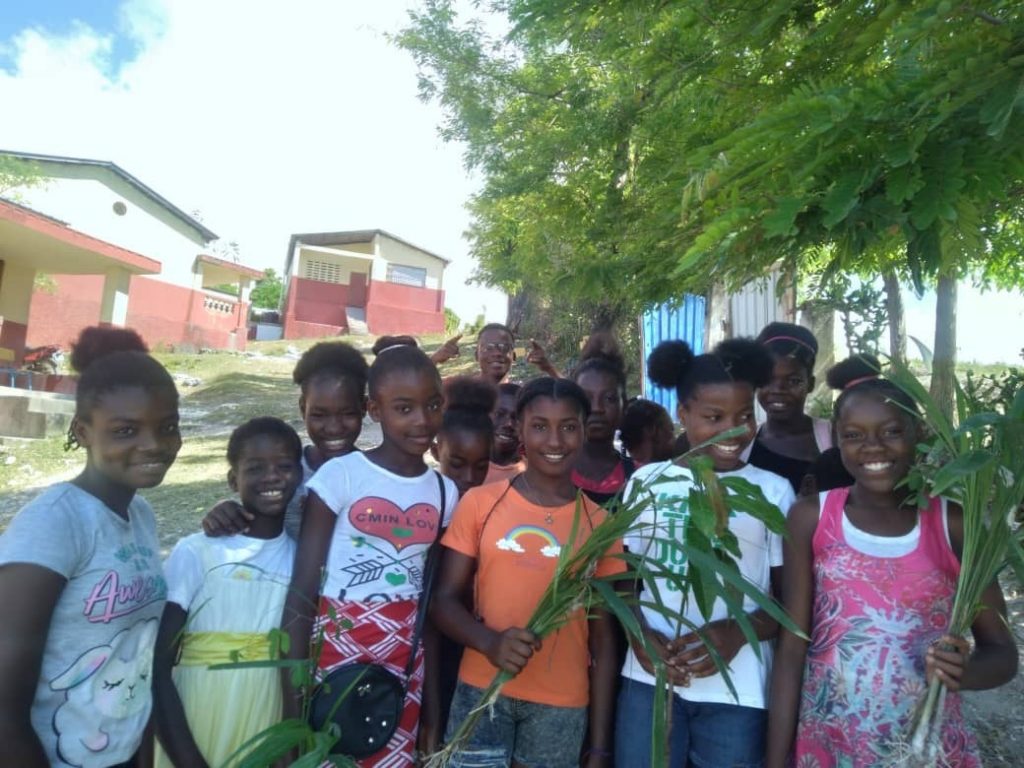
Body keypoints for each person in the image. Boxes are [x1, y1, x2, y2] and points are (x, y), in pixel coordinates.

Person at [765, 355, 1018, 768]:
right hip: (829, 744)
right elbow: (793, 646)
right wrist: (775, 760)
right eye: (854, 435)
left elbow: (1002, 653)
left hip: (924, 751)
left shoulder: (953, 523)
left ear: (918, 435)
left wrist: (964, 672)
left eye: (892, 432)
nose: (874, 447)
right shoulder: (812, 516)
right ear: (837, 441)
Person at [0, 326, 181, 768]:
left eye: (167, 426)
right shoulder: (54, 524)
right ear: (82, 431)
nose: (153, 445)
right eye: (125, 431)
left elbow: (133, 661)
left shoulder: (139, 515)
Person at [616, 338, 796, 767]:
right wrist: (638, 634)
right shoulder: (648, 482)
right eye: (714, 417)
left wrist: (736, 633)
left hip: (740, 688)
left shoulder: (772, 491)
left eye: (744, 416)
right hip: (649, 678)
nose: (733, 430)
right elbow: (625, 579)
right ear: (682, 415)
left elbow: (787, 600)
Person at [281, 343, 458, 767]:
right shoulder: (341, 476)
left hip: (404, 662)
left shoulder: (443, 492)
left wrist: (432, 716)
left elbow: (430, 609)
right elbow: (303, 590)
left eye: (432, 405)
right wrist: (291, 711)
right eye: (403, 408)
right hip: (334, 652)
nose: (422, 420)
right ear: (374, 410)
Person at [432, 377, 624, 768]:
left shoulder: (601, 523)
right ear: (518, 429)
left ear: (585, 431)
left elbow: (604, 641)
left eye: (568, 427)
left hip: (562, 704)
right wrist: (489, 642)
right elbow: (443, 601)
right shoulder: (480, 503)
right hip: (480, 691)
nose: (554, 441)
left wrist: (601, 746)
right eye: (539, 426)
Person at [153, 417, 303, 768]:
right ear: (233, 479)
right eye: (255, 468)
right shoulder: (197, 552)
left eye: (284, 466)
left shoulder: (302, 559)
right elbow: (156, 665)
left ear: (299, 474)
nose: (272, 477)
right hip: (197, 715)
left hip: (268, 720)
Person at [201, 340, 369, 539]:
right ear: (302, 408)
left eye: (347, 413)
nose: (333, 428)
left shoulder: (376, 476)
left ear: (364, 408)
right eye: (319, 415)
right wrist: (227, 511)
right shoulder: (286, 471)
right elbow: (255, 508)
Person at [745, 322, 832, 494]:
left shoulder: (832, 437)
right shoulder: (742, 443)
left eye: (793, 381)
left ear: (810, 384)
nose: (778, 390)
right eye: (767, 379)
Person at [571, 332, 635, 505]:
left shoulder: (639, 479)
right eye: (586, 398)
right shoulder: (554, 472)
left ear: (625, 407)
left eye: (609, 399)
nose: (597, 408)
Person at [433, 376, 496, 498]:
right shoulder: (421, 506)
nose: (469, 478)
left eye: (481, 467)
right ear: (435, 452)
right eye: (456, 464)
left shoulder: (493, 509)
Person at [484, 382, 525, 484]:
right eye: (499, 414)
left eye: (516, 418)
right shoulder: (466, 467)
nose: (509, 424)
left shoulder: (532, 474)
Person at [619, 398, 675, 466]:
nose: (674, 438)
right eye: (671, 430)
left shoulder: (622, 473)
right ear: (652, 430)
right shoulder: (677, 473)